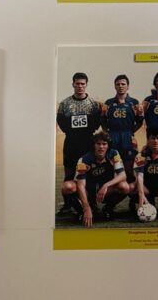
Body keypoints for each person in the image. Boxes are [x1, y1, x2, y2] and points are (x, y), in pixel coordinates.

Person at [56, 72, 101, 214]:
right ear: (73, 84)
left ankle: (92, 203)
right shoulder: (65, 104)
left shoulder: (93, 104)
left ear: (86, 85)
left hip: (88, 143)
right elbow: (60, 121)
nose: (80, 86)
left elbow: (96, 122)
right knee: (69, 174)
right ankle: (68, 205)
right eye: (77, 83)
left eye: (82, 84)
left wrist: (86, 131)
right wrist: (72, 131)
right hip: (71, 143)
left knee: (90, 175)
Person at [62, 132, 128, 227]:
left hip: (105, 190)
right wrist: (86, 208)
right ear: (94, 145)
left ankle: (108, 208)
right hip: (88, 190)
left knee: (124, 187)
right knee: (67, 187)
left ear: (108, 145)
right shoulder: (84, 160)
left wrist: (106, 185)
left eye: (104, 144)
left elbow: (122, 175)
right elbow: (81, 185)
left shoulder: (114, 154)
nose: (101, 147)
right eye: (98, 144)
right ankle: (82, 211)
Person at [102, 75, 143, 184]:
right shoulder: (108, 103)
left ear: (128, 86)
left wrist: (131, 132)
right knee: (111, 168)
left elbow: (140, 121)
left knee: (129, 169)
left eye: (123, 84)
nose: (120, 86)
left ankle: (131, 193)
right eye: (118, 84)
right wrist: (107, 133)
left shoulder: (134, 102)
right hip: (113, 136)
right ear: (115, 86)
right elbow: (102, 120)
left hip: (128, 137)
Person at [131, 127, 158, 216]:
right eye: (153, 138)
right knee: (132, 187)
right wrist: (141, 194)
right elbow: (139, 176)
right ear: (148, 140)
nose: (155, 141)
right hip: (148, 187)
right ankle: (137, 202)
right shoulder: (141, 155)